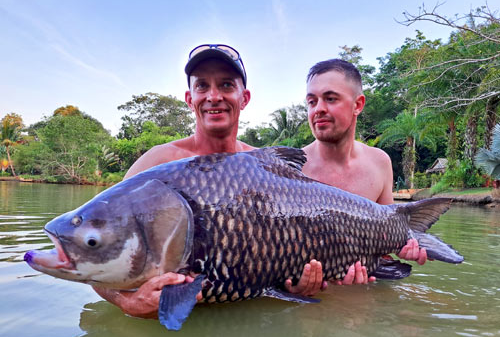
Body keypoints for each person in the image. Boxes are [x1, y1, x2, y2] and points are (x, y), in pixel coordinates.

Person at [94, 45, 367, 318]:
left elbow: (300, 251)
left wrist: (298, 285)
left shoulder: (265, 166)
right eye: (202, 86)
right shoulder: (157, 163)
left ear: (244, 97)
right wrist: (128, 303)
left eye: (226, 85)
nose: (214, 96)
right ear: (190, 99)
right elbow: (94, 250)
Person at [298, 58, 427, 285]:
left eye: (330, 99)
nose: (318, 109)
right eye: (311, 101)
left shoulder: (379, 162)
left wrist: (407, 247)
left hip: (366, 292)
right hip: (314, 299)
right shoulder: (293, 167)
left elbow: (389, 236)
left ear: (358, 105)